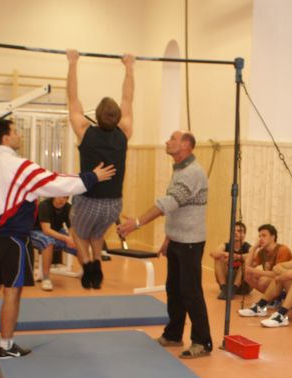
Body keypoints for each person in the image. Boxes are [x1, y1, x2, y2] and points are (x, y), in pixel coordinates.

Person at [0, 119, 114, 358]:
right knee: (12, 292)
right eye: (15, 132)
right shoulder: (19, 166)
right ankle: (6, 346)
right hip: (14, 238)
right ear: (6, 138)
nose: (19, 135)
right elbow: (56, 182)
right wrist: (93, 177)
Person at [117, 131, 212, 359]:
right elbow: (176, 209)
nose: (167, 142)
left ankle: (202, 342)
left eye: (173, 139)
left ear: (186, 145)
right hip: (178, 239)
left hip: (190, 242)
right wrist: (168, 238)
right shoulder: (179, 169)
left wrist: (137, 222)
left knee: (191, 292)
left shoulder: (192, 172)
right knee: (174, 290)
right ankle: (173, 335)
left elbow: (168, 203)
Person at [66, 49, 135, 289]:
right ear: (117, 118)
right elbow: (128, 99)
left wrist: (73, 62)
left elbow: (72, 99)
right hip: (114, 204)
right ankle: (97, 260)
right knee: (96, 234)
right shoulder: (125, 132)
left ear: (96, 116)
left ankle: (88, 265)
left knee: (77, 231)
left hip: (89, 200)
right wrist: (129, 67)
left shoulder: (84, 130)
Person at [29, 196, 77, 291]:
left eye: (65, 197)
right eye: (60, 196)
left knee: (79, 243)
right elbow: (46, 230)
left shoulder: (68, 207)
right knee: (48, 242)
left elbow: (71, 228)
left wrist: (72, 239)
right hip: (36, 232)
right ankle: (46, 279)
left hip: (56, 231)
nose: (62, 200)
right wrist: (66, 239)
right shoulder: (44, 205)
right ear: (54, 195)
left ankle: (87, 271)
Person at [244, 223, 292, 294]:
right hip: (275, 279)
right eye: (259, 236)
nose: (260, 238)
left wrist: (253, 271)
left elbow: (278, 274)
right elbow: (247, 268)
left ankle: (279, 296)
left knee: (263, 280)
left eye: (264, 235)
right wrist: (254, 248)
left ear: (273, 237)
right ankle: (270, 297)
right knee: (247, 276)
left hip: (287, 281)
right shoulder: (262, 252)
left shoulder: (282, 250)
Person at [209, 221, 251, 300]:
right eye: (234, 231)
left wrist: (238, 256)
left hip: (243, 286)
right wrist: (227, 254)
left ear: (244, 234)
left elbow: (255, 255)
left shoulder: (247, 246)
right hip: (227, 285)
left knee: (248, 260)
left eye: (239, 231)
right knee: (218, 258)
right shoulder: (226, 245)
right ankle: (224, 289)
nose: (235, 233)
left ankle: (233, 289)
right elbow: (213, 253)